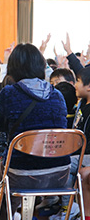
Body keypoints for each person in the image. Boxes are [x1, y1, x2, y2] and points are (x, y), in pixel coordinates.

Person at [0, 43, 69, 220]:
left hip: (22, 173)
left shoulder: (9, 93)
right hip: (59, 173)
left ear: (13, 67)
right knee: (5, 184)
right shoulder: (57, 95)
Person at [50, 66, 90, 219]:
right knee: (61, 161)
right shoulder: (82, 105)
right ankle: (62, 206)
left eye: (78, 81)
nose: (75, 85)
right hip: (80, 154)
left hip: (86, 155)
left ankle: (68, 209)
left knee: (64, 163)